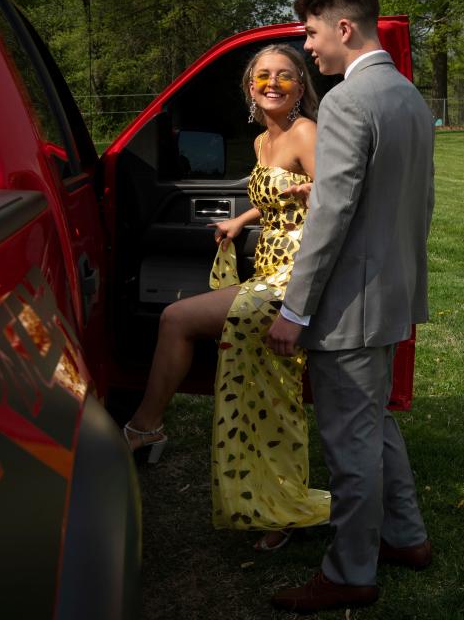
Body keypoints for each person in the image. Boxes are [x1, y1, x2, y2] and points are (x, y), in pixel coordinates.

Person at [265, 0, 435, 613]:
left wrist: (294, 308)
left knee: (350, 443)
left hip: (348, 307)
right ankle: (406, 537)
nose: (306, 46)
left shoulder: (345, 101)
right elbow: (417, 203)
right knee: (376, 425)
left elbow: (330, 216)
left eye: (311, 33)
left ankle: (349, 573)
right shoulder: (409, 97)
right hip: (393, 294)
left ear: (344, 29)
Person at [122, 44, 331, 550]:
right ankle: (272, 504)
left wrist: (316, 196)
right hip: (269, 266)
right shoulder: (262, 142)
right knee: (260, 388)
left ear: (301, 87)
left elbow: (341, 204)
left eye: (285, 75)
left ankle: (145, 428)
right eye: (263, 76)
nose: (273, 83)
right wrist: (239, 219)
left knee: (177, 318)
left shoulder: (307, 134)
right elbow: (271, 197)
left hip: (299, 275)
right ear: (250, 88)